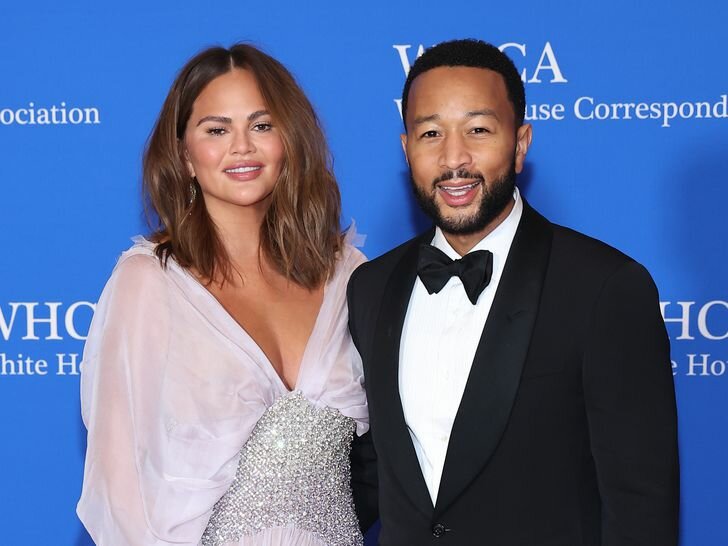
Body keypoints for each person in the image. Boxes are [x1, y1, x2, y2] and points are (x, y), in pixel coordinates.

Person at [347, 39, 679, 545]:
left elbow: (641, 505)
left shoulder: (604, 288)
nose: (454, 158)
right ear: (406, 148)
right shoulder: (371, 286)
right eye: (430, 132)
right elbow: (374, 470)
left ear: (520, 144)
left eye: (478, 130)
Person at [77, 44, 368, 546]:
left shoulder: (347, 275)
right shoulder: (150, 283)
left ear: (288, 140)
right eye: (217, 129)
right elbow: (120, 492)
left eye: (261, 125)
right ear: (185, 155)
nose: (242, 147)